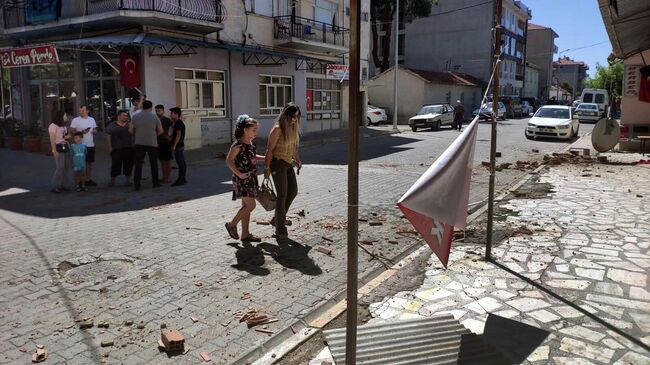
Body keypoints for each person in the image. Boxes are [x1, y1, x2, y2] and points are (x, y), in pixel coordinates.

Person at [225, 115, 266, 242]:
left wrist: (265, 158)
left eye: (256, 130)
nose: (255, 132)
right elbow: (229, 161)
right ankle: (231, 225)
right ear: (245, 130)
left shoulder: (251, 144)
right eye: (253, 130)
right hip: (242, 180)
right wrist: (239, 174)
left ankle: (245, 234)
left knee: (246, 206)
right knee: (250, 206)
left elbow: (253, 156)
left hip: (252, 178)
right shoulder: (238, 145)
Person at [264, 103, 302, 240]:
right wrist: (266, 169)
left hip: (287, 163)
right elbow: (269, 150)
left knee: (293, 191)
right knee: (282, 196)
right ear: (285, 114)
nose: (295, 119)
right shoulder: (277, 129)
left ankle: (277, 218)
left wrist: (298, 160)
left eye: (297, 117)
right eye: (292, 116)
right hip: (277, 163)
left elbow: (293, 148)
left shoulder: (292, 128)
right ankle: (280, 229)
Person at [130, 100, 163, 190]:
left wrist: (137, 134)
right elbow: (160, 131)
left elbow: (130, 130)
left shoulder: (135, 116)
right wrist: (153, 135)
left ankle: (137, 184)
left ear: (142, 106)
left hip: (139, 142)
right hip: (152, 143)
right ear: (151, 107)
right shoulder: (154, 117)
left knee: (138, 164)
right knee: (154, 163)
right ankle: (155, 182)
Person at [70, 105, 98, 186]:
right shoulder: (75, 120)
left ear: (87, 111)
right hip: (79, 145)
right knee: (79, 163)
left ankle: (88, 179)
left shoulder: (91, 119)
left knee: (89, 163)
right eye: (80, 110)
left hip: (90, 144)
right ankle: (79, 181)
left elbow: (95, 129)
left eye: (83, 110)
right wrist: (80, 132)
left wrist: (93, 131)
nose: (81, 112)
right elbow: (71, 130)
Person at [106, 110, 134, 186]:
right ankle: (112, 181)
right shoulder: (112, 125)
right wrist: (110, 148)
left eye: (126, 115)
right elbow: (108, 136)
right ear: (119, 116)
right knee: (115, 165)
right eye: (124, 115)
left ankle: (127, 181)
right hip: (116, 148)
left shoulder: (129, 125)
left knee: (128, 164)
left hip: (128, 147)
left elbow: (133, 134)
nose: (125, 117)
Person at [48, 111, 71, 193]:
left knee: (66, 167)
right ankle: (55, 186)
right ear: (60, 116)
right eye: (65, 115)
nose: (66, 117)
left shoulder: (64, 126)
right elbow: (52, 140)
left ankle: (63, 185)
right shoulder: (53, 126)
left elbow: (66, 136)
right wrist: (54, 151)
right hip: (58, 148)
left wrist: (68, 137)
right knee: (60, 168)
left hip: (66, 147)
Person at [155, 104, 173, 183]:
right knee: (161, 160)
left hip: (166, 143)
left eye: (159, 111)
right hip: (158, 142)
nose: (157, 112)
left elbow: (174, 128)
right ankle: (163, 177)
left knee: (167, 161)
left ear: (163, 111)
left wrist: (170, 137)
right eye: (156, 111)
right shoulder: (155, 120)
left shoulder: (167, 120)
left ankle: (168, 178)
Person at [169, 107, 187, 186]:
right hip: (180, 146)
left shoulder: (178, 123)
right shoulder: (177, 122)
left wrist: (174, 146)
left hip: (178, 146)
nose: (171, 115)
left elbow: (178, 135)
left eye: (172, 113)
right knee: (182, 162)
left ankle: (181, 179)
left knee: (180, 163)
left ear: (176, 114)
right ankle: (183, 178)